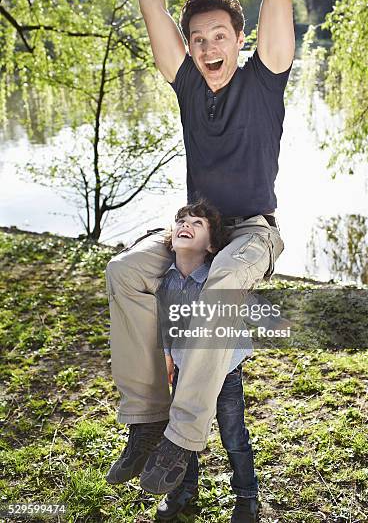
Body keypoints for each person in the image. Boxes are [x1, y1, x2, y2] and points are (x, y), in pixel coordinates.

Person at [105, 0, 295, 522]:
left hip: (251, 235)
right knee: (125, 272)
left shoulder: (264, 79)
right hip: (197, 229)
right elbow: (151, 5)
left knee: (220, 286)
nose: (210, 47)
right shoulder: (188, 86)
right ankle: (146, 421)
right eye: (199, 39)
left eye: (221, 36)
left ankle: (183, 439)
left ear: (242, 40)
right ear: (189, 48)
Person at [154, 200, 258, 521]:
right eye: (181, 220)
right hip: (185, 366)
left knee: (232, 431)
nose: (186, 224)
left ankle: (246, 495)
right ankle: (184, 488)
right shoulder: (166, 280)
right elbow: (165, 323)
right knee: (184, 425)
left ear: (212, 245)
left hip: (223, 369)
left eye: (197, 224)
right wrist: (168, 356)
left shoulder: (220, 277)